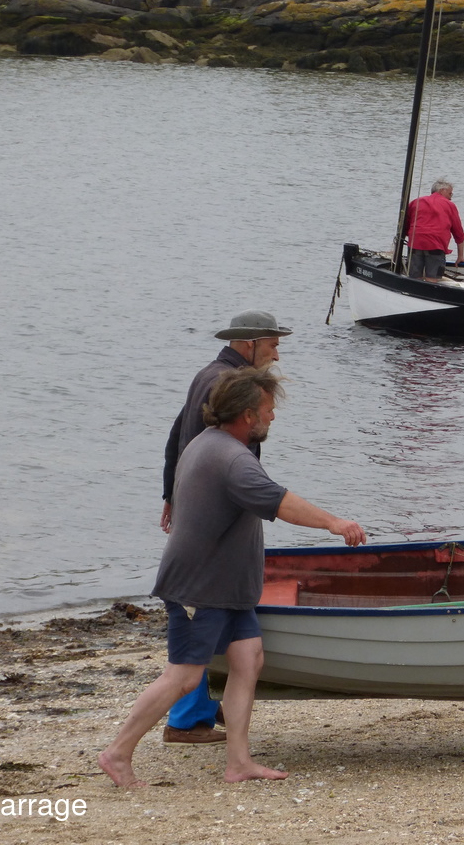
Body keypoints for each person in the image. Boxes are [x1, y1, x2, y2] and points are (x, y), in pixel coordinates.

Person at [99, 366, 367, 788]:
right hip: (199, 588)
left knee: (248, 659)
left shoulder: (208, 442)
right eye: (268, 409)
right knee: (184, 676)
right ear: (247, 415)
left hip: (227, 589)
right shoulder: (233, 459)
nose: (272, 416)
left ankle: (238, 762)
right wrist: (335, 523)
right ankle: (117, 753)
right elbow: (279, 501)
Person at [159, 309, 292, 747]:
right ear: (248, 343)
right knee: (203, 605)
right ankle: (187, 718)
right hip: (216, 512)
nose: (276, 354)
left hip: (200, 504)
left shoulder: (207, 374)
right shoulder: (230, 383)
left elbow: (176, 436)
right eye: (272, 344)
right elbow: (224, 458)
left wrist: (171, 493)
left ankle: (203, 706)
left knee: (210, 613)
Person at [405, 178, 464, 281]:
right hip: (435, 245)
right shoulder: (450, 205)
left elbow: (405, 227)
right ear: (442, 191)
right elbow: (459, 234)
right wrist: (460, 256)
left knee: (414, 278)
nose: (451, 198)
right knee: (432, 278)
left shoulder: (416, 202)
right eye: (450, 194)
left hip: (415, 243)